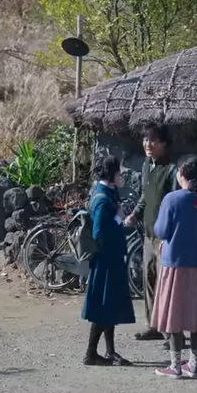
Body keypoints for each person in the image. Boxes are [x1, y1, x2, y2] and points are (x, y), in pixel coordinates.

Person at [151, 155, 197, 379]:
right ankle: (194, 363)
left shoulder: (172, 199)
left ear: (180, 174)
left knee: (174, 314)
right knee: (196, 314)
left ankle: (175, 365)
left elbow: (161, 230)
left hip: (175, 264)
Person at [123, 123, 179, 342]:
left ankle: (172, 331)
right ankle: (153, 325)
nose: (148, 144)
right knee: (149, 280)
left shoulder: (172, 170)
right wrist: (136, 214)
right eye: (145, 139)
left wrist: (170, 236)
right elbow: (145, 196)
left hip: (165, 238)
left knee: (167, 285)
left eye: (153, 140)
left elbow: (176, 205)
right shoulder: (147, 165)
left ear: (164, 144)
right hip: (148, 235)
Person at [80, 156, 136, 366]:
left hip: (110, 259)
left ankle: (110, 351)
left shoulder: (106, 194)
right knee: (104, 306)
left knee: (108, 305)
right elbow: (99, 233)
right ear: (112, 175)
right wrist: (118, 218)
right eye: (119, 173)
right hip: (106, 260)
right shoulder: (103, 200)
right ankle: (91, 353)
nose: (122, 176)